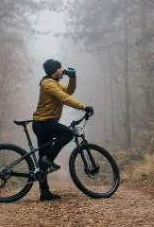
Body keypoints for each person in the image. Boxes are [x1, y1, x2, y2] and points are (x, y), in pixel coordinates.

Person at [32, 58, 93, 201]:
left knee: (43, 160)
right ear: (55, 70)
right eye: (61, 68)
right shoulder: (48, 84)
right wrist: (84, 107)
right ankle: (47, 160)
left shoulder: (54, 83)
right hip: (43, 124)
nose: (63, 70)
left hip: (45, 124)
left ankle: (45, 192)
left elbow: (69, 91)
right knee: (67, 133)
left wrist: (73, 77)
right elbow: (65, 98)